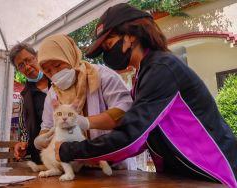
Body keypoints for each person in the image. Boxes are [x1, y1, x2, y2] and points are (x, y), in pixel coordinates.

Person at [54, 3, 237, 187]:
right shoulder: (144, 74)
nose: (107, 55)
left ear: (131, 36)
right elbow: (144, 137)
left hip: (213, 173)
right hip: (183, 175)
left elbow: (131, 136)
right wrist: (103, 158)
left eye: (109, 45)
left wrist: (69, 151)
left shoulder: (162, 68)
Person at [33, 34, 136, 169]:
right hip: (77, 168)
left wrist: (86, 122)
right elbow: (47, 125)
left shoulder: (101, 75)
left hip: (112, 164)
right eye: (48, 71)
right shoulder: (52, 94)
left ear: (69, 55)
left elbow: (124, 112)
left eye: (58, 65)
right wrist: (42, 139)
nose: (55, 73)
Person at [9, 43, 51, 165]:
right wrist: (23, 145)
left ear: (37, 57)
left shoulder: (57, 82)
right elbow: (24, 130)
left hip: (69, 152)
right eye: (21, 65)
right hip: (42, 160)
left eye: (28, 60)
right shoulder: (24, 97)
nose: (27, 67)